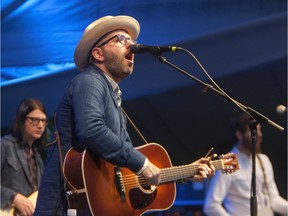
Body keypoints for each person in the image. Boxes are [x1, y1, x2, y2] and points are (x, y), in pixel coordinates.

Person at [35, 15, 215, 215]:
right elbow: (92, 130)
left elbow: (127, 169)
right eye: (121, 39)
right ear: (98, 53)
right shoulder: (90, 81)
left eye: (132, 41)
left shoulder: (111, 94)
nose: (131, 46)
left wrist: (185, 173)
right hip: (64, 206)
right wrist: (142, 163)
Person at [203, 112, 288, 216]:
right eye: (254, 131)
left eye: (260, 130)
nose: (260, 134)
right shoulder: (226, 162)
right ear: (239, 134)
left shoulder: (263, 160)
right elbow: (211, 205)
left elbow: (273, 199)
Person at [1, 98, 48, 216]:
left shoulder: (37, 158)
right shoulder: (4, 146)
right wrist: (14, 197)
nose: (40, 125)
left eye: (43, 121)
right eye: (34, 120)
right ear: (21, 120)